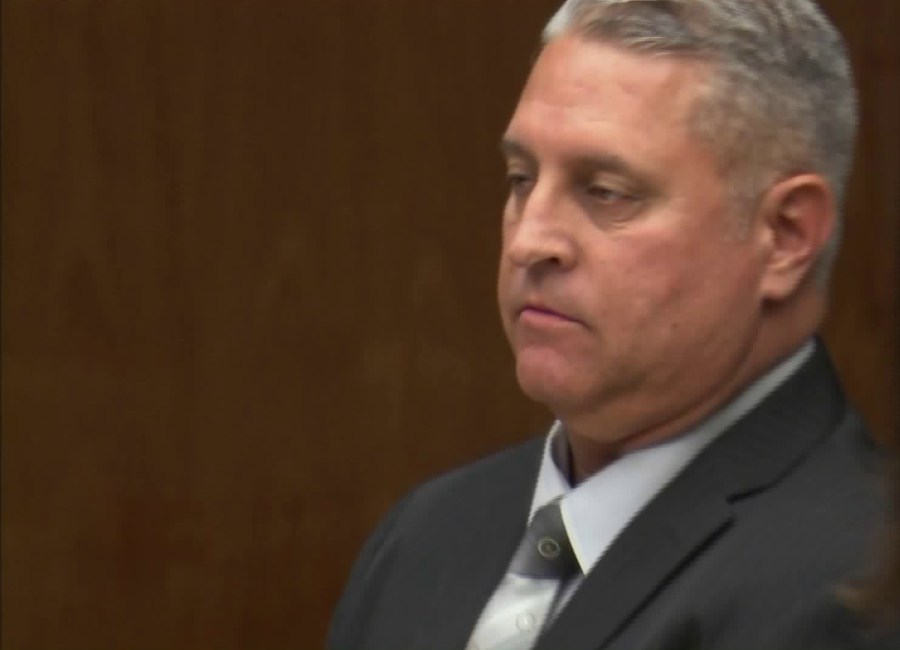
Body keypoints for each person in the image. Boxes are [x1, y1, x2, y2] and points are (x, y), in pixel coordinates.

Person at [328, 1, 895, 648]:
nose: (529, 240)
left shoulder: (862, 588)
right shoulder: (425, 534)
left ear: (785, 235)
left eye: (605, 192)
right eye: (521, 178)